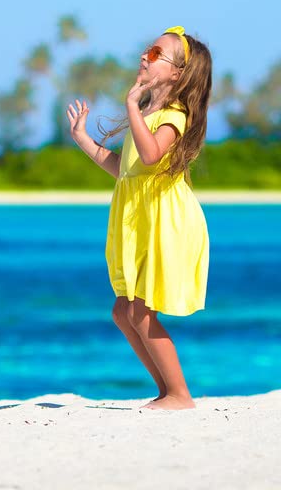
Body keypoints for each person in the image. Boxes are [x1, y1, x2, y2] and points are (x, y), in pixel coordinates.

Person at [66, 26, 212, 410]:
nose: (144, 58)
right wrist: (84, 139)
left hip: (167, 219)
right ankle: (166, 391)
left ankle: (180, 395)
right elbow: (126, 169)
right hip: (138, 216)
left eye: (154, 54)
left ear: (176, 73)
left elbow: (150, 156)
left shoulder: (174, 114)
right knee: (123, 311)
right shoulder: (149, 111)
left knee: (141, 310)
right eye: (146, 51)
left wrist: (132, 106)